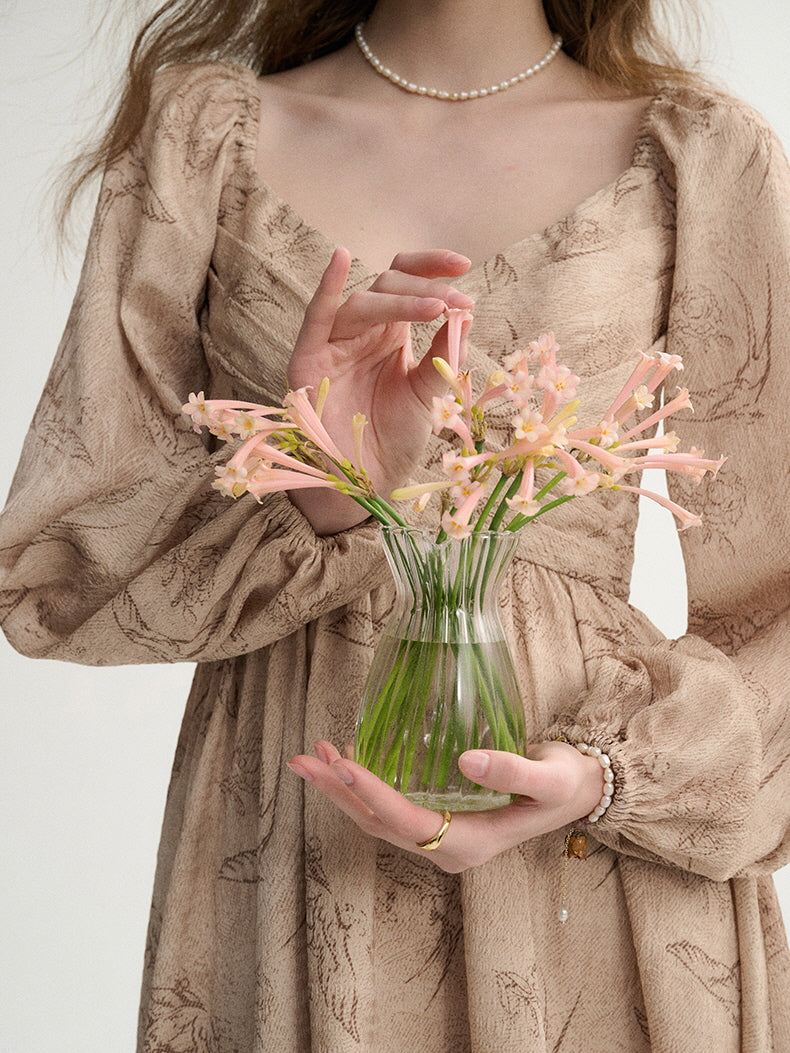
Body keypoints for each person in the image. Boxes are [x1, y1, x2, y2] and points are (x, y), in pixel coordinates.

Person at [1, 0, 789, 1049]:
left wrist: (614, 773)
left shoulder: (699, 152)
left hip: (588, 853)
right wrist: (325, 490)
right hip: (290, 835)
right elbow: (64, 570)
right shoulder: (203, 135)